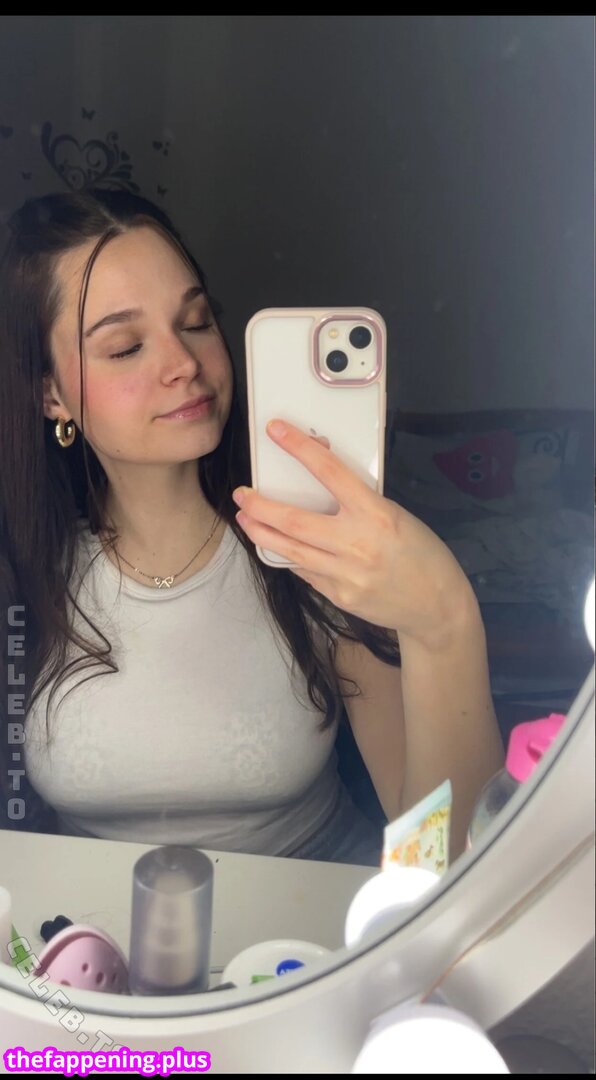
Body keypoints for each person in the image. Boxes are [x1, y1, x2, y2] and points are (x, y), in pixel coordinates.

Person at [0, 189, 504, 865]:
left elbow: (440, 859)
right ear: (50, 394)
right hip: (87, 929)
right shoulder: (25, 576)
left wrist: (444, 624)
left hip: (312, 922)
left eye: (197, 321)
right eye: (125, 347)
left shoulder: (314, 548)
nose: (184, 363)